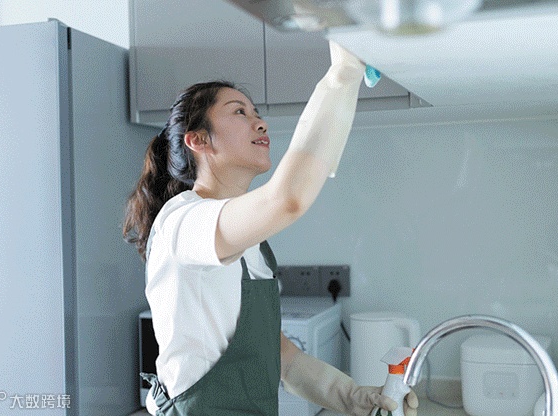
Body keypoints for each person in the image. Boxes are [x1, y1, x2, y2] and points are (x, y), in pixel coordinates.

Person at [123, 41, 419, 416]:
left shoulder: (252, 244)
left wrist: (354, 397)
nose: (260, 123)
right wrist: (341, 76)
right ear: (198, 140)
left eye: (257, 113)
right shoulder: (182, 221)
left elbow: (285, 359)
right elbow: (286, 199)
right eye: (239, 112)